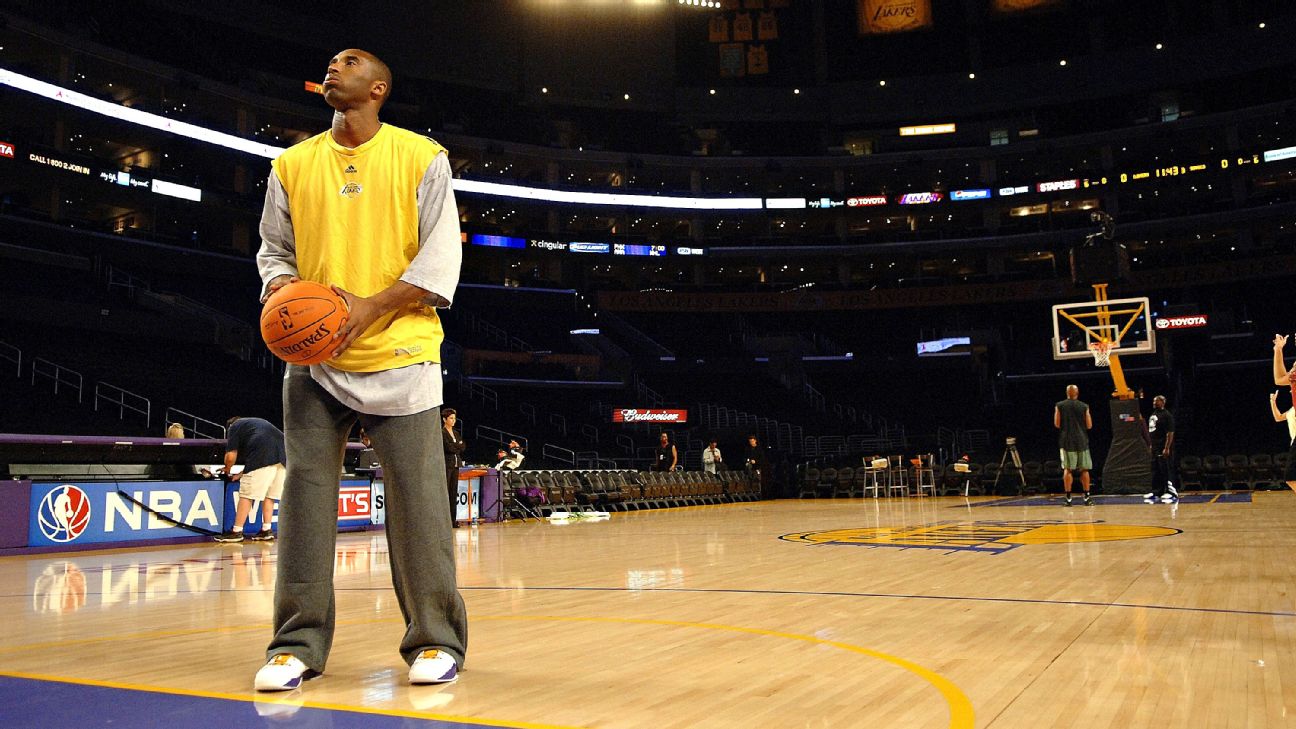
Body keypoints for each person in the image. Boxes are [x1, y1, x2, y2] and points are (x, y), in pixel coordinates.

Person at [252, 48, 466, 691]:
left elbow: (438, 264)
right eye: (330, 62)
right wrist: (285, 293)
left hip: (401, 354)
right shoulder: (290, 165)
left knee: (419, 506)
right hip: (315, 362)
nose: (333, 66)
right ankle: (295, 645)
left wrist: (366, 309)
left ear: (377, 88)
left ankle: (435, 640)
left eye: (349, 62)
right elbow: (273, 251)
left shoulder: (422, 157)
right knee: (306, 502)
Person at [214, 416, 286, 543]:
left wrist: (227, 468)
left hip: (264, 454)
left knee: (246, 495)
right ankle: (266, 530)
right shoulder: (254, 425)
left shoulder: (234, 427)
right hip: (283, 457)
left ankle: (236, 532)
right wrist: (242, 473)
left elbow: (231, 456)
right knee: (269, 495)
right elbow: (257, 461)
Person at [1053, 384, 1093, 506]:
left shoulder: (1059, 405)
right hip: (1081, 440)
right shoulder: (1084, 406)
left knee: (1068, 469)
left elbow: (1057, 424)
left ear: (1067, 393)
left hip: (1066, 441)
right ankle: (1086, 497)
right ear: (1077, 393)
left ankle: (1069, 498)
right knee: (1084, 469)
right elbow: (1089, 425)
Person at [1142, 396, 1178, 503]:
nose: (1154, 402)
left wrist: (1166, 448)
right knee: (1155, 469)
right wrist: (1151, 445)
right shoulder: (1153, 414)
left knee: (1166, 469)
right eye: (1153, 401)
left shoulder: (1167, 415)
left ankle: (1171, 492)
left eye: (1156, 401)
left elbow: (1170, 433)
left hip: (1163, 447)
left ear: (1162, 402)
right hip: (1155, 447)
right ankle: (1156, 491)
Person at [442, 409, 465, 529]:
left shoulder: (456, 433)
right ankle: (444, 521)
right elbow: (448, 448)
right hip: (447, 465)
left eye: (454, 418)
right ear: (445, 419)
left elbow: (463, 446)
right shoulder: (442, 432)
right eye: (451, 418)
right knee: (445, 493)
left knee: (453, 493)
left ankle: (453, 520)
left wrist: (456, 446)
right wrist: (457, 446)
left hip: (456, 465)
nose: (453, 420)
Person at [1270, 389, 1296, 492]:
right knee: (1290, 478)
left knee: (1290, 477)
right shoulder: (1292, 410)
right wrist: (1273, 402)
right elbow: (1278, 417)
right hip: (1294, 442)